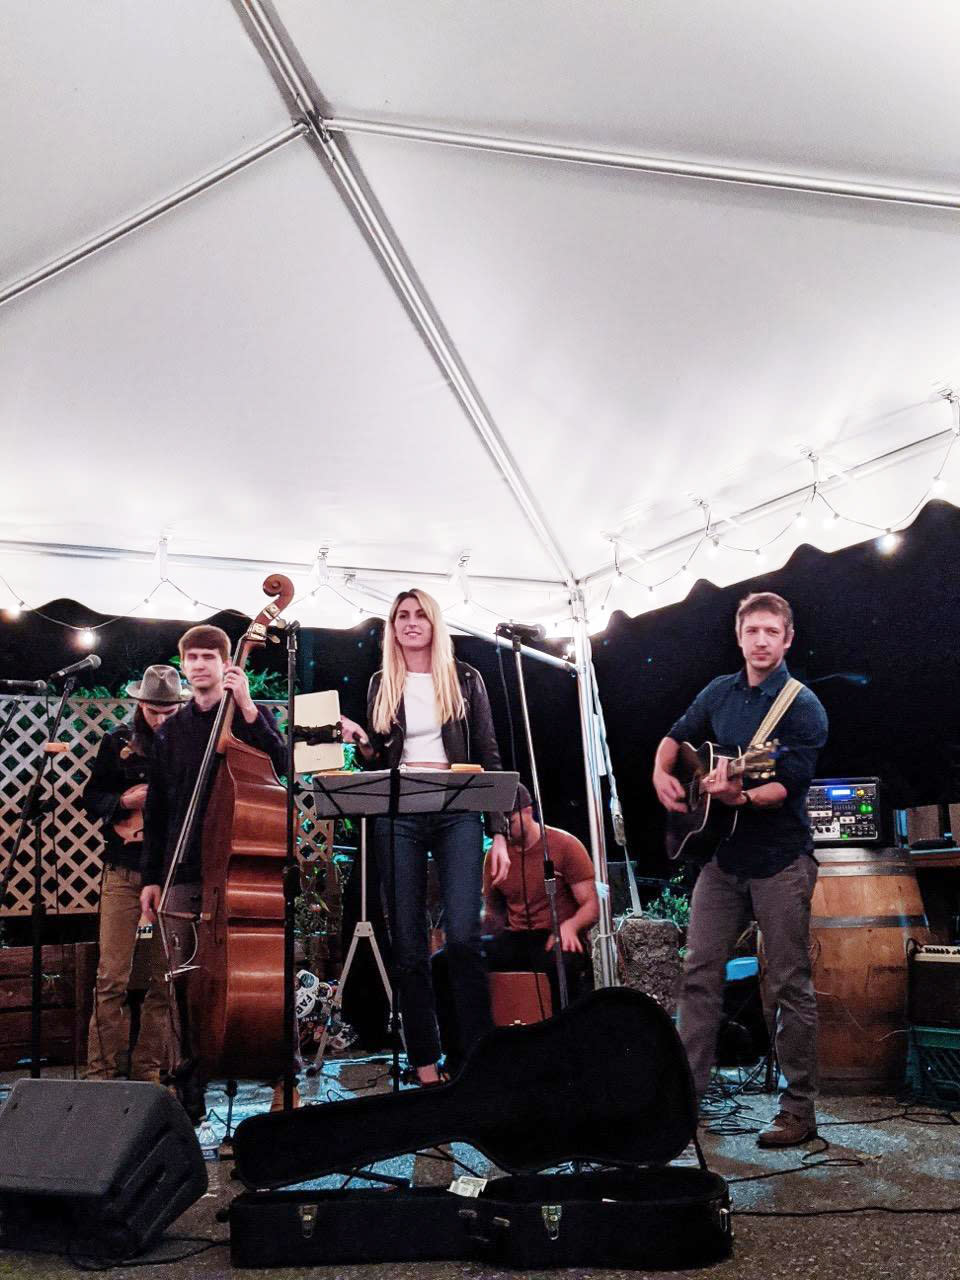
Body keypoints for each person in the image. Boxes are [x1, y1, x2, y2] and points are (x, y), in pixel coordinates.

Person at [652, 591, 828, 1148]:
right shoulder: (718, 693)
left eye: (771, 632)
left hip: (780, 861)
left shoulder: (803, 707)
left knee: (787, 984)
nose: (760, 640)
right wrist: (662, 772)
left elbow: (784, 785)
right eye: (752, 630)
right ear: (739, 636)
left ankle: (798, 1110)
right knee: (699, 973)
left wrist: (741, 799)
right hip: (722, 860)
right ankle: (686, 1102)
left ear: (787, 639)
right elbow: (676, 737)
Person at [340, 588, 510, 1085]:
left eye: (419, 615)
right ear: (392, 628)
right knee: (409, 945)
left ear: (434, 624)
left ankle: (476, 1058)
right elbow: (380, 758)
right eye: (401, 617)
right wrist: (361, 741)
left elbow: (489, 752)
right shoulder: (380, 683)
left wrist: (498, 832)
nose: (410, 623)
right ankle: (425, 1065)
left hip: (457, 812)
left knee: (461, 936)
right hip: (400, 816)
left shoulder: (465, 679)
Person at [139, 625, 286, 1107]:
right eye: (193, 657)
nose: (201, 665)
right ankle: (190, 1082)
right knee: (182, 982)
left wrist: (246, 705)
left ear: (227, 663)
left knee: (244, 976)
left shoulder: (246, 718)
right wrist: (151, 878)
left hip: (233, 873)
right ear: (184, 664)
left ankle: (263, 1062)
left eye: (209, 657)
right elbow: (158, 811)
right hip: (182, 870)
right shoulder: (173, 732)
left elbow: (281, 763)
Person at [82, 664, 187, 1082]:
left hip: (170, 873)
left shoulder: (189, 746)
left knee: (164, 980)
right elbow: (92, 797)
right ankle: (100, 1077)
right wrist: (124, 801)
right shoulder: (117, 742)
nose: (160, 718)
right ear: (140, 704)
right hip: (123, 870)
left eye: (167, 711)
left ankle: (150, 1075)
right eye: (153, 710)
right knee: (111, 978)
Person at [483, 783, 598, 1011]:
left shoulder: (565, 845)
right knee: (450, 960)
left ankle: (566, 1036)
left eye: (510, 822)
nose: (505, 830)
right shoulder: (494, 856)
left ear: (528, 811)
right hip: (517, 937)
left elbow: (592, 904)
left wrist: (571, 926)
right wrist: (474, 926)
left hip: (555, 934)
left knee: (562, 964)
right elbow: (494, 913)